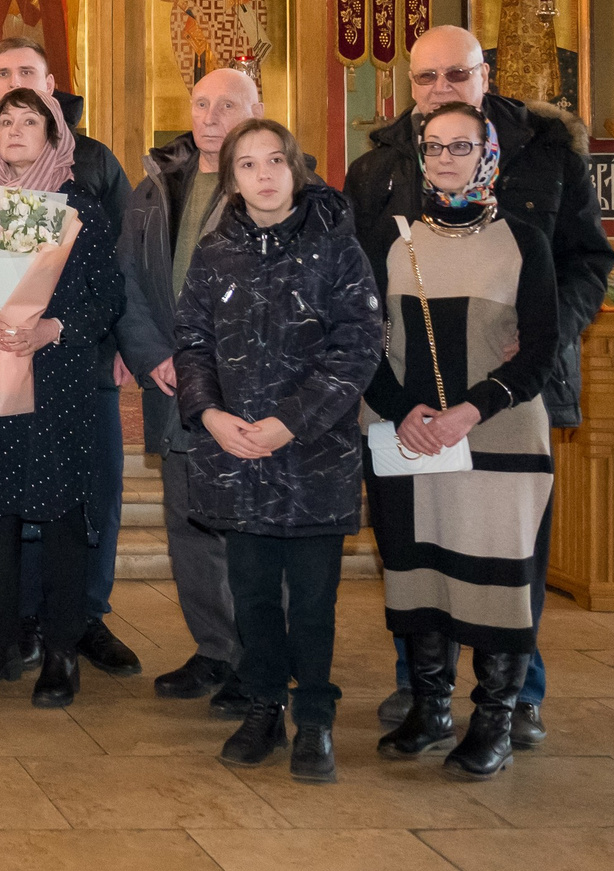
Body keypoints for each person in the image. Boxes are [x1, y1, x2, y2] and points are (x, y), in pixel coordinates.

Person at [345, 24, 610, 745]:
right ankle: (422, 693)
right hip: (413, 401)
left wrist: (545, 328)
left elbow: (587, 258)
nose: (439, 92)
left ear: (483, 74)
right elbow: (360, 295)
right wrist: (397, 401)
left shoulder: (547, 153)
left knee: (502, 549)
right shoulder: (378, 168)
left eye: (455, 75)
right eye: (426, 78)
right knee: (420, 545)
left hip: (506, 390)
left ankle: (514, 699)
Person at [0, 39, 137, 678]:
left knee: (64, 510)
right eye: (4, 122)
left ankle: (63, 650)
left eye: (28, 121)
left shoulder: (82, 209)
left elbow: (109, 295)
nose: (14, 130)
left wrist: (54, 328)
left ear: (53, 132)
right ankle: (1, 642)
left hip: (61, 375)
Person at [172, 120, 382, 784]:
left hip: (312, 456)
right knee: (253, 591)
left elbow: (358, 349)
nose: (262, 175)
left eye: (274, 162)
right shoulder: (214, 254)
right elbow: (192, 341)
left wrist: (289, 422)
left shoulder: (338, 250)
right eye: (246, 164)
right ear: (231, 178)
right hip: (235, 454)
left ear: (297, 169)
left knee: (314, 598)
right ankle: (263, 703)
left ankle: (314, 716)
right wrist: (210, 413)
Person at [364, 102, 560, 781]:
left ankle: (494, 720)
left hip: (497, 440)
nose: (447, 157)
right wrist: (403, 412)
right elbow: (370, 349)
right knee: (418, 571)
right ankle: (430, 706)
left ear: (487, 154)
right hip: (412, 440)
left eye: (461, 146)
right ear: (421, 157)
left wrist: (468, 411)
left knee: (497, 584)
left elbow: (538, 352)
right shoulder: (396, 244)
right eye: (435, 146)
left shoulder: (523, 242)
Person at [113, 67, 262, 713]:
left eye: (226, 103)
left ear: (255, 111)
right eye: (201, 102)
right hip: (175, 388)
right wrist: (152, 357)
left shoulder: (277, 184)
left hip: (249, 392)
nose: (209, 115)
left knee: (250, 528)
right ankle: (212, 649)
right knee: (190, 523)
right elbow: (128, 285)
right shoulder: (155, 189)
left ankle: (257, 659)